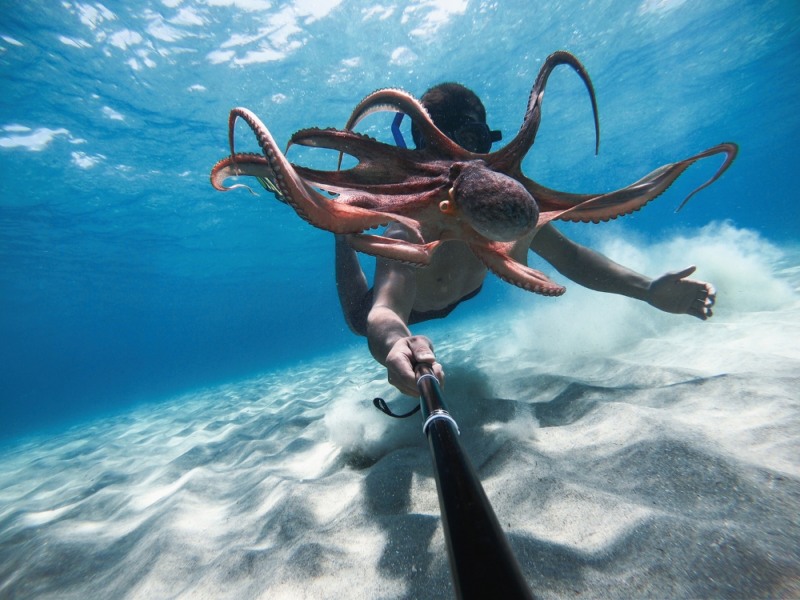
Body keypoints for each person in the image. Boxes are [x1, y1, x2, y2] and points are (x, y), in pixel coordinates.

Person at [334, 83, 715, 396]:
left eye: (472, 138)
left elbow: (573, 258)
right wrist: (394, 343)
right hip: (413, 307)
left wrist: (648, 289)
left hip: (460, 290)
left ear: (487, 141)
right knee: (357, 317)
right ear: (418, 151)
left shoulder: (506, 209)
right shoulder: (409, 228)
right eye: (439, 145)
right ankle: (341, 226)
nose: (459, 159)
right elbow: (385, 309)